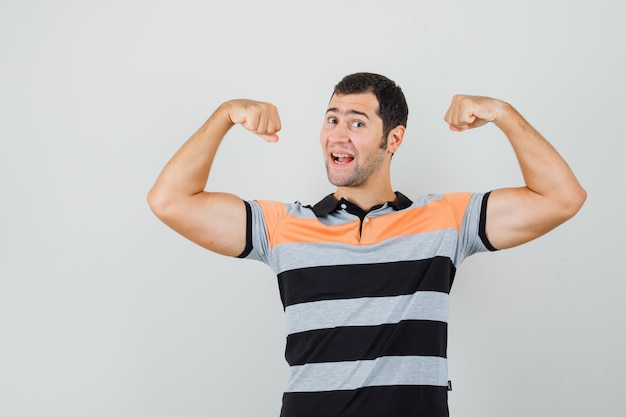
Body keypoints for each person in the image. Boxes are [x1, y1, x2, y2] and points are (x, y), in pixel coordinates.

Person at [147, 72, 586, 417]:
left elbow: (562, 197)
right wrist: (225, 114)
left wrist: (502, 112)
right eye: (332, 119)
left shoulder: (444, 221)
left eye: (357, 123)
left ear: (393, 139)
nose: (339, 134)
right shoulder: (281, 225)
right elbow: (169, 201)